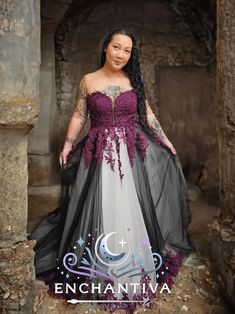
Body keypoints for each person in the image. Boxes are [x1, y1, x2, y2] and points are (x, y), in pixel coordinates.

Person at [29, 29, 193, 312]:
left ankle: (132, 270)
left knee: (129, 207)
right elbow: (80, 115)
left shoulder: (133, 81)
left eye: (127, 50)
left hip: (129, 152)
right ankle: (100, 272)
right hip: (100, 152)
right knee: (102, 205)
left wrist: (165, 140)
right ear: (106, 47)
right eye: (116, 47)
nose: (121, 54)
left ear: (131, 55)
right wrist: (68, 145)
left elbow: (148, 116)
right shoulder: (88, 80)